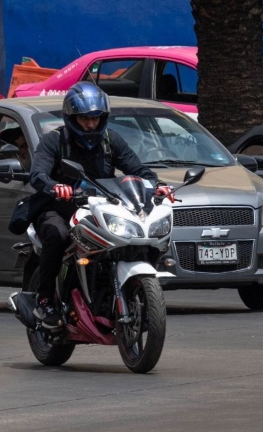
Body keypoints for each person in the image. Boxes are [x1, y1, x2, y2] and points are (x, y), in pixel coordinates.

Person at [27, 82, 172, 327]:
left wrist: (157, 185)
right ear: (71, 117)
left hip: (100, 207)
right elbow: (37, 174)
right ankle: (44, 300)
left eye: (96, 118)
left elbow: (137, 169)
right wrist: (55, 187)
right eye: (84, 118)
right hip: (59, 207)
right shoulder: (54, 141)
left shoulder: (110, 140)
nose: (91, 124)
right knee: (57, 235)